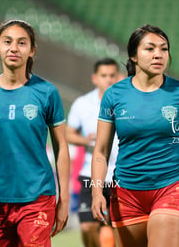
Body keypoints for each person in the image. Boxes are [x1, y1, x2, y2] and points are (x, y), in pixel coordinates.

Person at [91, 25, 179, 247]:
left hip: (172, 187)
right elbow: (101, 150)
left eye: (164, 49)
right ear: (133, 56)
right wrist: (97, 191)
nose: (158, 54)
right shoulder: (114, 95)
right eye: (150, 49)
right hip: (126, 193)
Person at [0, 19, 70, 247]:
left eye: (22, 43)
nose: (13, 48)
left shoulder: (47, 92)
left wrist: (64, 199)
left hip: (37, 196)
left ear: (32, 51)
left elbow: (61, 148)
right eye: (7, 42)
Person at [67, 58, 119, 247]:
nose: (109, 79)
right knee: (88, 227)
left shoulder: (127, 102)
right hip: (91, 173)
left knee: (118, 230)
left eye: (112, 75)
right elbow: (69, 133)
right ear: (95, 78)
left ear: (118, 76)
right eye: (104, 75)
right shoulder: (82, 103)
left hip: (119, 175)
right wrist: (85, 140)